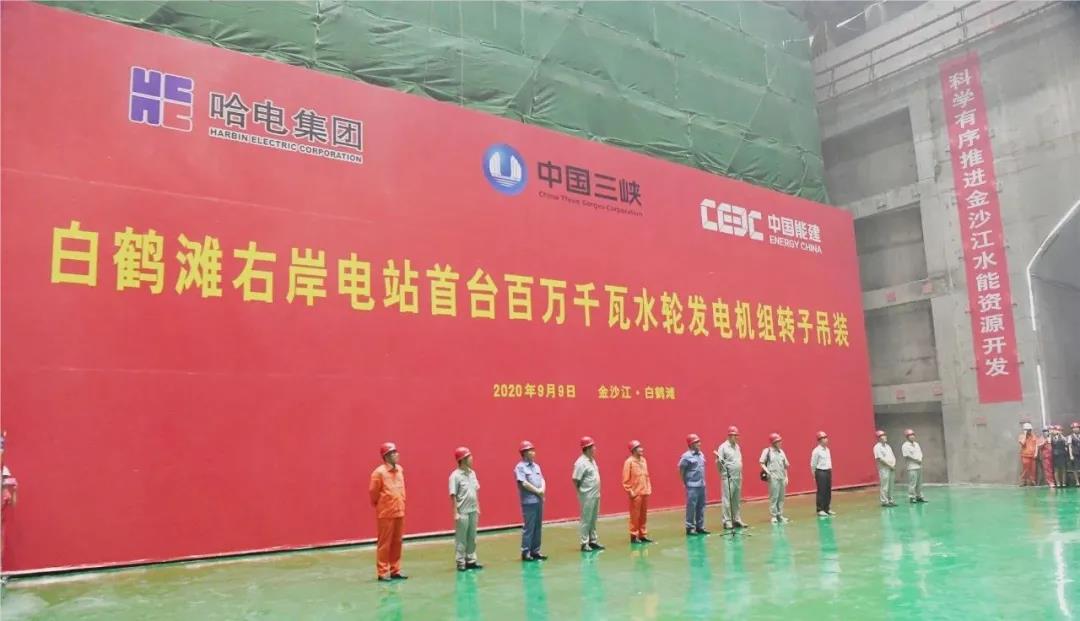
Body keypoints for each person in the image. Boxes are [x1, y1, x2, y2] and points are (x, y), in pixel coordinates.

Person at [369, 442, 407, 581]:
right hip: (386, 512)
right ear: (386, 456)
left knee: (397, 542)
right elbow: (373, 492)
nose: (396, 454)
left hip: (399, 510)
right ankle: (383, 571)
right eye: (393, 452)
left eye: (396, 452)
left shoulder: (400, 470)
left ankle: (395, 569)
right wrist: (381, 504)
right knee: (385, 543)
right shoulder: (379, 473)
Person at [449, 446, 483, 571]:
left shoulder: (472, 473)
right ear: (462, 459)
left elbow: (475, 491)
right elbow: (453, 495)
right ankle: (460, 561)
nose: (472, 458)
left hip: (473, 510)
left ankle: (471, 560)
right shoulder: (455, 476)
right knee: (461, 538)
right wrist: (455, 513)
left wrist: (478, 506)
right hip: (462, 511)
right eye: (469, 456)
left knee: (472, 537)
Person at [515, 441, 548, 562]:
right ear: (524, 453)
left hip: (539, 500)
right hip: (529, 502)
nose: (533, 452)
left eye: (533, 450)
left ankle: (536, 551)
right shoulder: (520, 467)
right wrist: (537, 491)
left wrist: (542, 490)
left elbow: (542, 479)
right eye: (530, 450)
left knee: (538, 526)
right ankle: (526, 551)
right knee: (529, 527)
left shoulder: (536, 466)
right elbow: (523, 483)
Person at [572, 436, 604, 552]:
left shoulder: (592, 461)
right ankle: (584, 542)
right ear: (587, 448)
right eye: (593, 446)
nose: (595, 448)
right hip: (587, 495)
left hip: (595, 494)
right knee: (586, 519)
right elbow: (575, 479)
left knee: (593, 518)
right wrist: (581, 492)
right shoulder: (581, 463)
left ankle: (593, 540)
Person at [622, 440, 653, 544]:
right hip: (635, 493)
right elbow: (625, 479)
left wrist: (648, 487)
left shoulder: (644, 461)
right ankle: (634, 535)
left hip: (644, 492)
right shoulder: (629, 462)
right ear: (634, 450)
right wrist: (630, 491)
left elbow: (647, 476)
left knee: (643, 515)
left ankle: (642, 534)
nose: (642, 449)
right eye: (639, 447)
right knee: (635, 516)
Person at [715, 426, 746, 530]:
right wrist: (723, 474)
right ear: (729, 435)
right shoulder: (723, 447)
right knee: (727, 500)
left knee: (736, 500)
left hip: (738, 476)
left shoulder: (737, 447)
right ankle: (727, 521)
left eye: (737, 435)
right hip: (728, 477)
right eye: (735, 435)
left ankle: (736, 519)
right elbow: (718, 462)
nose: (737, 437)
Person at [679, 433, 709, 535]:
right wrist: (685, 482)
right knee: (691, 507)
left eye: (699, 441)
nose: (699, 444)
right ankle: (690, 527)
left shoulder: (701, 454)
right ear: (691, 444)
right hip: (692, 486)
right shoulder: (686, 456)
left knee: (701, 506)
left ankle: (700, 526)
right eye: (696, 442)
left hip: (701, 485)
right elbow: (681, 470)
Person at [759, 433, 790, 524]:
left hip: (781, 477)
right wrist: (767, 471)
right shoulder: (767, 451)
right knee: (774, 497)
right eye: (778, 441)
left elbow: (785, 466)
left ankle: (780, 515)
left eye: (780, 441)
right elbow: (761, 462)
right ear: (773, 442)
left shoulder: (781, 452)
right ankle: (774, 516)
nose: (780, 443)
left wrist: (786, 477)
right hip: (773, 477)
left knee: (781, 497)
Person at [810, 431, 836, 517]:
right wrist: (814, 474)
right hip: (820, 472)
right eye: (824, 438)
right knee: (821, 491)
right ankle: (820, 509)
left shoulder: (827, 450)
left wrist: (830, 470)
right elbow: (813, 464)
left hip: (828, 471)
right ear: (819, 440)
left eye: (826, 437)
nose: (826, 439)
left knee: (828, 490)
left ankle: (827, 508)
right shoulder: (816, 451)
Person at [901, 429, 927, 503]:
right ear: (907, 437)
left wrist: (920, 460)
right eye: (910, 435)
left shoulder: (916, 444)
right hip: (912, 467)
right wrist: (916, 460)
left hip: (919, 466)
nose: (912, 437)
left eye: (913, 435)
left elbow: (920, 453)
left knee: (919, 483)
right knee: (912, 483)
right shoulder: (905, 446)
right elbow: (907, 456)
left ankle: (919, 496)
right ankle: (912, 497)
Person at [873, 430, 897, 507]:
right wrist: (890, 465)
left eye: (885, 435)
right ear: (879, 438)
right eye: (883, 436)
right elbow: (880, 459)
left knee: (891, 485)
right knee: (885, 486)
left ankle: (890, 500)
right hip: (884, 469)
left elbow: (892, 456)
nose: (885, 437)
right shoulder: (877, 447)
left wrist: (893, 464)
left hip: (891, 468)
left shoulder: (888, 446)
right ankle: (884, 501)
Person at [1070, 422, 1080, 487]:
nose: (1076, 429)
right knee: (1075, 468)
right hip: (1075, 454)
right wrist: (1071, 455)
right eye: (1074, 428)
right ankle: (1077, 481)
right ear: (1072, 429)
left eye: (1077, 427)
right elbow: (1069, 446)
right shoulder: (1070, 437)